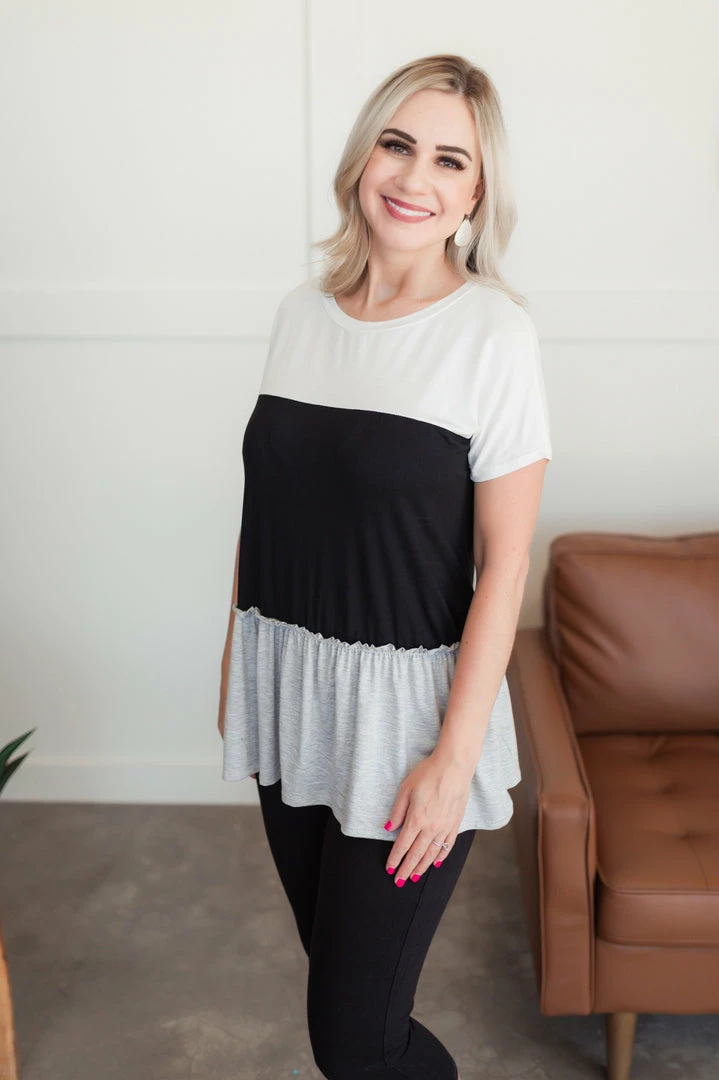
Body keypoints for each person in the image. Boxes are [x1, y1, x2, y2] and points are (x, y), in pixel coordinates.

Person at [217, 53, 552, 1080]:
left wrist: (451, 759)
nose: (413, 177)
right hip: (288, 692)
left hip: (406, 722)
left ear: (475, 195)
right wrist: (235, 661)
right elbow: (267, 505)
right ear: (361, 158)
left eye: (449, 160)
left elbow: (504, 565)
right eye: (397, 145)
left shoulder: (491, 334)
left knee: (355, 1039)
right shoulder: (300, 314)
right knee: (347, 996)